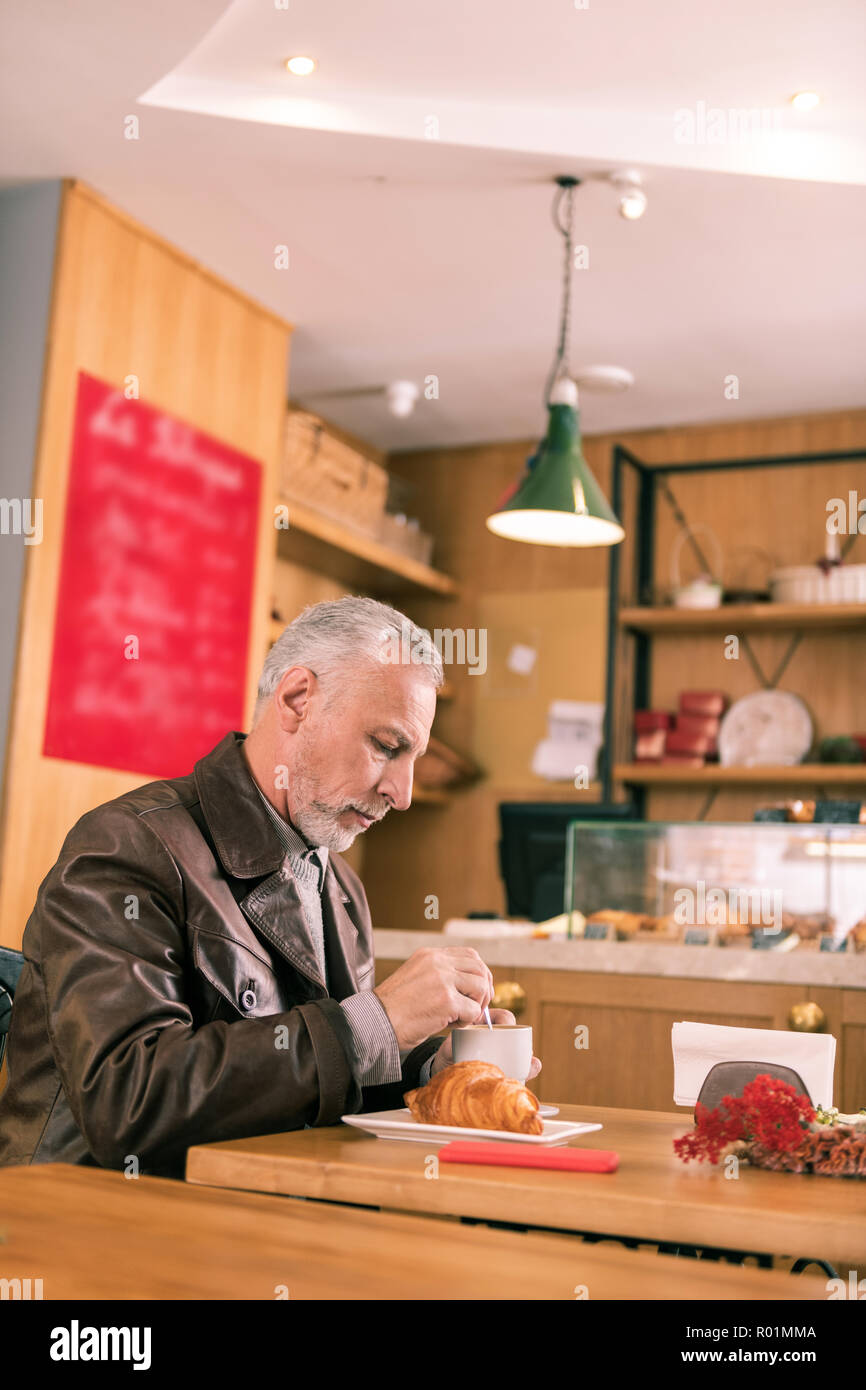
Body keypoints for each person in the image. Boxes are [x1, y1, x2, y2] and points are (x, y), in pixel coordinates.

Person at [0, 596, 538, 1177]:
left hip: (256, 1214)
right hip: (95, 1222)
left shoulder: (340, 884)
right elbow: (126, 1104)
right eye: (386, 746)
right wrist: (374, 1023)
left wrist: (427, 1068)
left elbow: (312, 1088)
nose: (402, 793)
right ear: (297, 700)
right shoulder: (127, 845)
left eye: (413, 757)